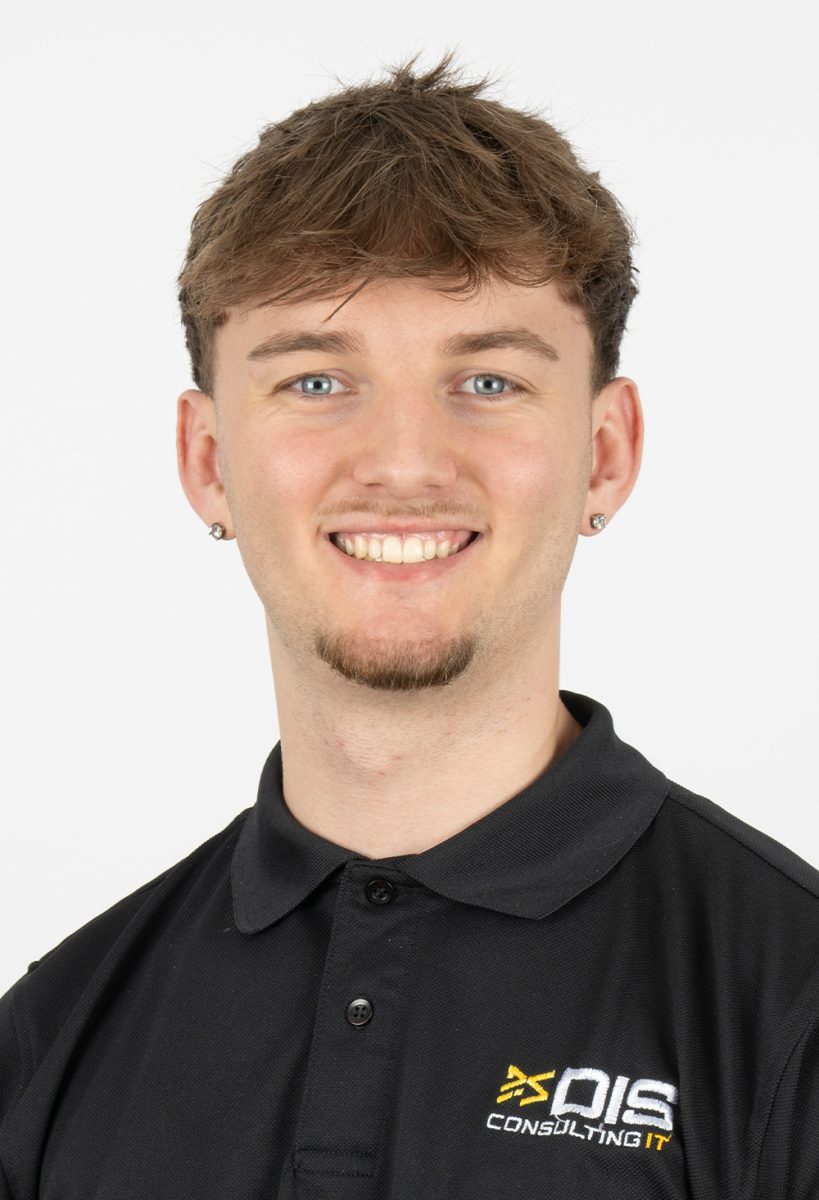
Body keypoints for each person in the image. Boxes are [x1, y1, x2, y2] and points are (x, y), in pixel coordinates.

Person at [1, 52, 816, 1200]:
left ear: (607, 450)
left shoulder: (789, 1007)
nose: (402, 464)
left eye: (486, 381)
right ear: (207, 461)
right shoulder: (54, 1037)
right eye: (316, 382)